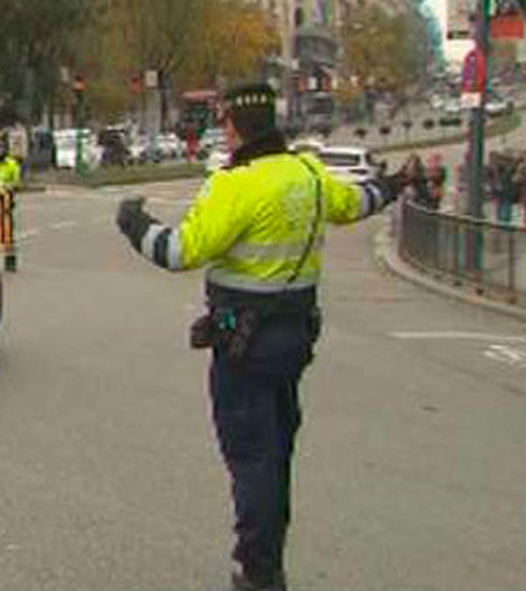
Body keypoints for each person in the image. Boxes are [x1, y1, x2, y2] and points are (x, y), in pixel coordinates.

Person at [114, 83, 413, 591]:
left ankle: (257, 569)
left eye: (225, 121)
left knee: (252, 457)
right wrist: (394, 185)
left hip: (243, 345)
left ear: (234, 126)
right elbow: (355, 203)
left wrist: (135, 223)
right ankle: (267, 554)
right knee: (276, 451)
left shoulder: (236, 184)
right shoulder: (308, 174)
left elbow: (181, 251)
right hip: (294, 338)